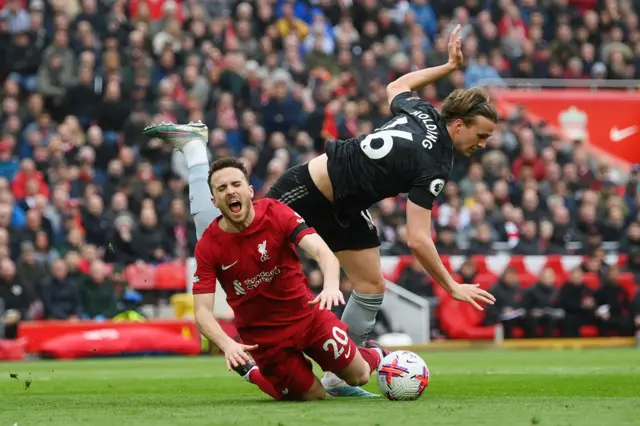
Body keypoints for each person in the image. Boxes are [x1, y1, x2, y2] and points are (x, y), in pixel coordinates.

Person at [143, 24, 495, 394]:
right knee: (225, 231)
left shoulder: (422, 111)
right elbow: (418, 239)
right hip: (308, 190)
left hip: (347, 205)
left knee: (371, 286)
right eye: (481, 135)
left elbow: (397, 87)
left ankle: (339, 376)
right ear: (458, 125)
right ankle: (196, 150)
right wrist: (452, 286)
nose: (483, 144)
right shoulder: (436, 163)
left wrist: (447, 66)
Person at [188, 157, 387, 400]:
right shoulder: (208, 247)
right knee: (314, 396)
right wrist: (228, 344)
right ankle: (252, 371)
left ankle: (375, 353)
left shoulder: (276, 212)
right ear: (214, 201)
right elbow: (202, 313)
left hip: (308, 318)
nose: (230, 191)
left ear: (249, 191)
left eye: (236, 184)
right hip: (265, 340)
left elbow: (322, 252)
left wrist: (331, 286)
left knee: (359, 376)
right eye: (222, 188)